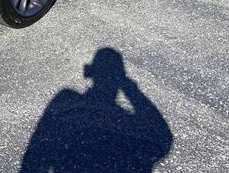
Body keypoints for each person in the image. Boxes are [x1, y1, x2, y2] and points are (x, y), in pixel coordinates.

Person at [21, 48, 173, 172]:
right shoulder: (67, 96)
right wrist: (129, 87)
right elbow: (162, 139)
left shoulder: (66, 96)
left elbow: (37, 147)